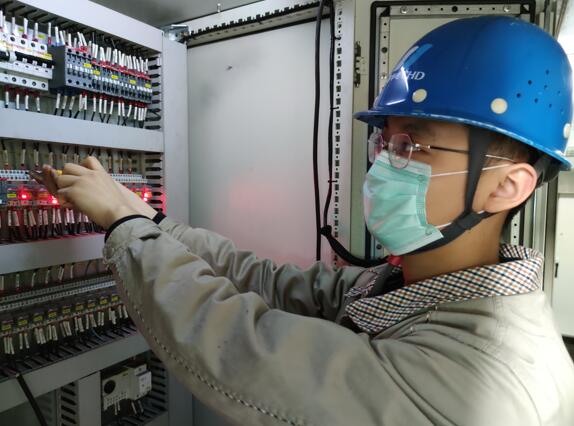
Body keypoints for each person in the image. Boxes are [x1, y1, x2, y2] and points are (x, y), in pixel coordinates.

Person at [41, 16, 574, 426]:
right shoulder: (409, 287)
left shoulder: (483, 379)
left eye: (413, 146)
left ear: (507, 186)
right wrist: (148, 218)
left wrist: (126, 227)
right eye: (386, 142)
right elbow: (266, 281)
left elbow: (246, 351)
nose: (383, 165)